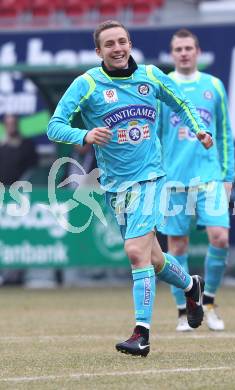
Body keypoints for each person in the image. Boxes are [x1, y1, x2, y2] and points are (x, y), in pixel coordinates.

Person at [47, 20, 213, 357]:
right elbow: (54, 126)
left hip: (150, 178)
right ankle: (191, 286)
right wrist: (84, 135)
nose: (118, 48)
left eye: (122, 41)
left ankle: (142, 333)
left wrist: (198, 130)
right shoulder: (88, 84)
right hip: (114, 185)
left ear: (130, 43)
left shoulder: (151, 76)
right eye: (110, 44)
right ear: (99, 52)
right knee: (152, 259)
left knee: (136, 253)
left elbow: (181, 103)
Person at [159, 29, 235, 332]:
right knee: (177, 247)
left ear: (198, 51)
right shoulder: (162, 85)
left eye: (189, 48)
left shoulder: (213, 86)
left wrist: (227, 176)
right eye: (178, 49)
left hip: (209, 178)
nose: (184, 53)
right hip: (173, 179)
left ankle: (210, 303)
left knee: (221, 237)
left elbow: (225, 133)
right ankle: (184, 311)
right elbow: (155, 134)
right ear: (172, 53)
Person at [0, 114, 38, 286]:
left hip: (22, 199)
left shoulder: (27, 146)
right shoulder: (2, 146)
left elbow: (33, 171)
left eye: (13, 123)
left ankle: (19, 275)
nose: (11, 127)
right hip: (3, 199)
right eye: (7, 124)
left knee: (21, 237)